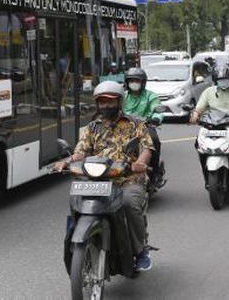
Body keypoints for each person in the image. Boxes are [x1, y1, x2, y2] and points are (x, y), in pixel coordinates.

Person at [54, 81, 155, 272]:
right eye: (101, 101)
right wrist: (67, 161)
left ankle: (141, 251)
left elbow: (147, 147)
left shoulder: (135, 124)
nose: (105, 106)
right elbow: (81, 152)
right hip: (97, 180)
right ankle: (76, 243)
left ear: (119, 102)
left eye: (109, 101)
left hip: (127, 179)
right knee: (76, 201)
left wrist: (140, 163)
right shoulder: (92, 127)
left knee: (129, 204)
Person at [123, 67, 164, 183]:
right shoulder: (123, 96)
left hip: (145, 126)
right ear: (127, 82)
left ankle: (154, 172)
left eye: (137, 81)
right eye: (131, 81)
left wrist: (156, 118)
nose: (134, 83)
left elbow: (157, 108)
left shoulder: (151, 96)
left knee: (154, 140)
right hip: (123, 126)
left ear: (143, 82)